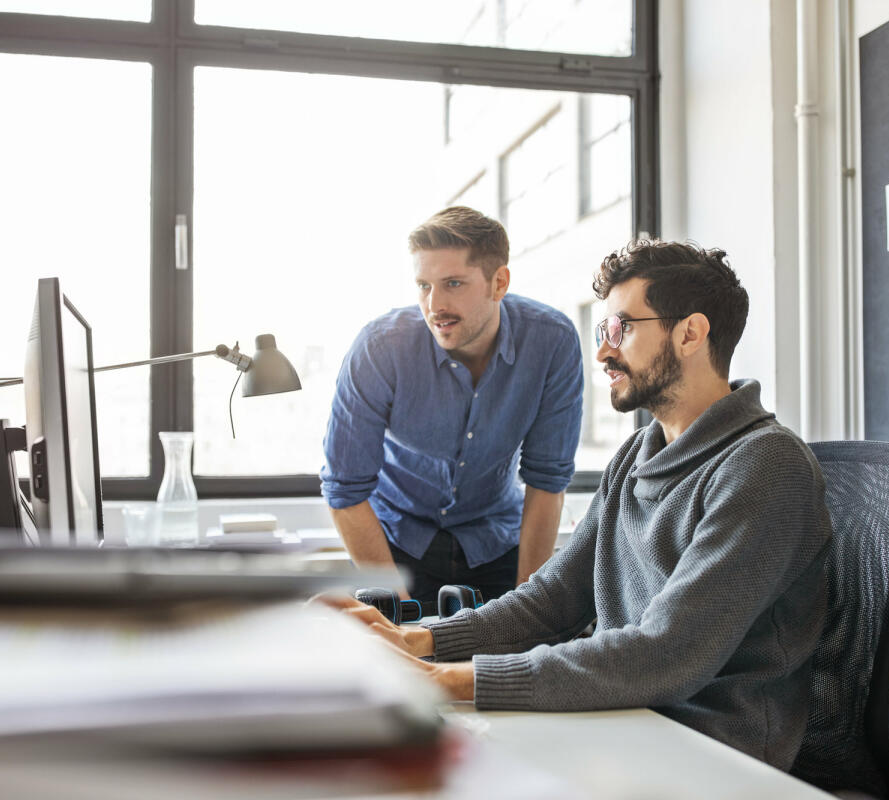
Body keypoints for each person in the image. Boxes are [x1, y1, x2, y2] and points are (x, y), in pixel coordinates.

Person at [320, 239, 833, 770]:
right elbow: (552, 599)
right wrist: (416, 639)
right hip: (627, 717)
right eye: (601, 331)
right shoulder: (638, 454)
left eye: (621, 329)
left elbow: (665, 654)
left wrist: (446, 679)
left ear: (690, 333)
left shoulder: (764, 466)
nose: (604, 351)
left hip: (711, 751)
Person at [320, 206, 583, 605]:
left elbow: (547, 481)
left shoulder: (552, 342)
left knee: (505, 661)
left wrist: (529, 610)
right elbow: (345, 489)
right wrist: (400, 613)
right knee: (407, 662)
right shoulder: (379, 348)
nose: (434, 305)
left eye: (453, 283)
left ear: (499, 282)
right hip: (395, 546)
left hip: (497, 543)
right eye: (423, 285)